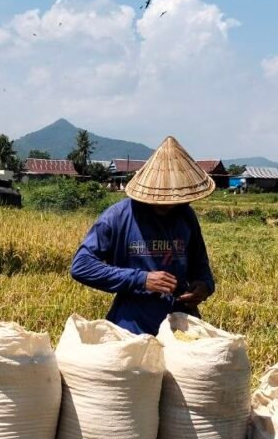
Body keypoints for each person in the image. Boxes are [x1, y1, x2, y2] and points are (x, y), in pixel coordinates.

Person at [70, 135, 215, 336]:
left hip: (180, 326)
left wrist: (205, 285)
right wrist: (141, 279)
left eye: (173, 200)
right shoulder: (118, 216)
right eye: (160, 200)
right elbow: (81, 266)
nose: (167, 205)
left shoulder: (186, 215)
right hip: (132, 327)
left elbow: (199, 262)